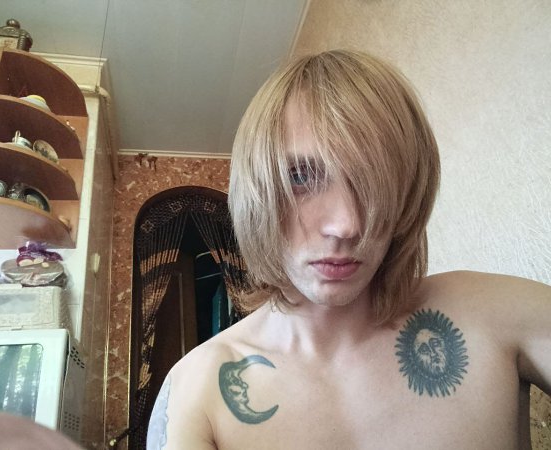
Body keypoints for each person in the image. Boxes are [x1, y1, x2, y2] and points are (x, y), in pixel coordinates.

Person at [146, 49, 551, 449]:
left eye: (374, 178)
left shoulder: (494, 315)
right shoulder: (198, 391)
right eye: (300, 176)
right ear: (256, 191)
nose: (347, 224)